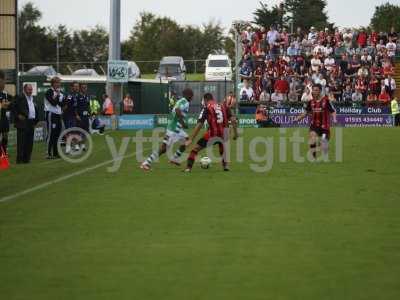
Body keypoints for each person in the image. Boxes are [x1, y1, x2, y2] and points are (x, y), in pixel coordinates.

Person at [141, 88, 194, 171]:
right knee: (163, 148)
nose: (192, 97)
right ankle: (146, 163)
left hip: (177, 129)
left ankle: (174, 158)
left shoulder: (182, 101)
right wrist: (182, 122)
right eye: (191, 95)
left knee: (187, 140)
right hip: (173, 129)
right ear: (188, 95)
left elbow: (176, 110)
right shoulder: (185, 102)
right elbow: (177, 110)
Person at [184, 93, 233, 172]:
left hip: (212, 134)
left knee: (195, 149)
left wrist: (191, 139)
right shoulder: (223, 105)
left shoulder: (207, 108)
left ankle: (188, 168)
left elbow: (200, 124)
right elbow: (233, 120)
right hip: (224, 133)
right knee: (222, 148)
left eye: (203, 100)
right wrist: (235, 133)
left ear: (205, 100)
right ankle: (226, 166)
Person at [295, 84, 337, 160]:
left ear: (320, 91)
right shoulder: (310, 102)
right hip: (314, 125)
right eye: (313, 90)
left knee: (324, 141)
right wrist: (298, 118)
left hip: (325, 126)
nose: (314, 92)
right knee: (312, 139)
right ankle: (313, 158)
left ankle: (324, 146)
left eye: (316, 90)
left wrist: (334, 119)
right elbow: (306, 113)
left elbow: (333, 111)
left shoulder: (326, 101)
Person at [14, 84, 39, 164]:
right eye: (29, 89)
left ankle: (27, 159)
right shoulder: (19, 97)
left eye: (31, 89)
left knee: (29, 142)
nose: (30, 91)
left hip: (31, 122)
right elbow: (13, 106)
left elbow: (33, 110)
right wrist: (18, 115)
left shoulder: (32, 98)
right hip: (22, 122)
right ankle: (20, 160)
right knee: (21, 142)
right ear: (24, 90)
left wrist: (35, 121)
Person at [45, 77, 64, 159]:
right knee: (51, 134)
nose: (58, 84)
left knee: (57, 134)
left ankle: (56, 153)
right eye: (57, 83)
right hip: (51, 114)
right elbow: (53, 103)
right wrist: (57, 95)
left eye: (59, 83)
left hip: (58, 114)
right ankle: (48, 153)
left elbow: (61, 104)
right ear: (53, 83)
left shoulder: (60, 92)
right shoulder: (49, 92)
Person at [76, 83, 90, 151]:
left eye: (86, 87)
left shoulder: (87, 96)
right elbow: (75, 106)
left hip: (86, 117)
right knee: (79, 131)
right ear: (80, 88)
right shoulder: (78, 96)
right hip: (80, 116)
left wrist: (89, 113)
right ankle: (77, 145)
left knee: (85, 132)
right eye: (83, 87)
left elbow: (88, 106)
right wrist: (77, 115)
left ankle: (83, 145)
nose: (84, 89)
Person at [0, 72, 12, 154]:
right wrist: (2, 105)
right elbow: (3, 105)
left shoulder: (5, 93)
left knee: (5, 135)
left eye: (4, 82)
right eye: (2, 82)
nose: (3, 84)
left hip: (4, 117)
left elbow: (13, 100)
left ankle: (4, 152)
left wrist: (9, 103)